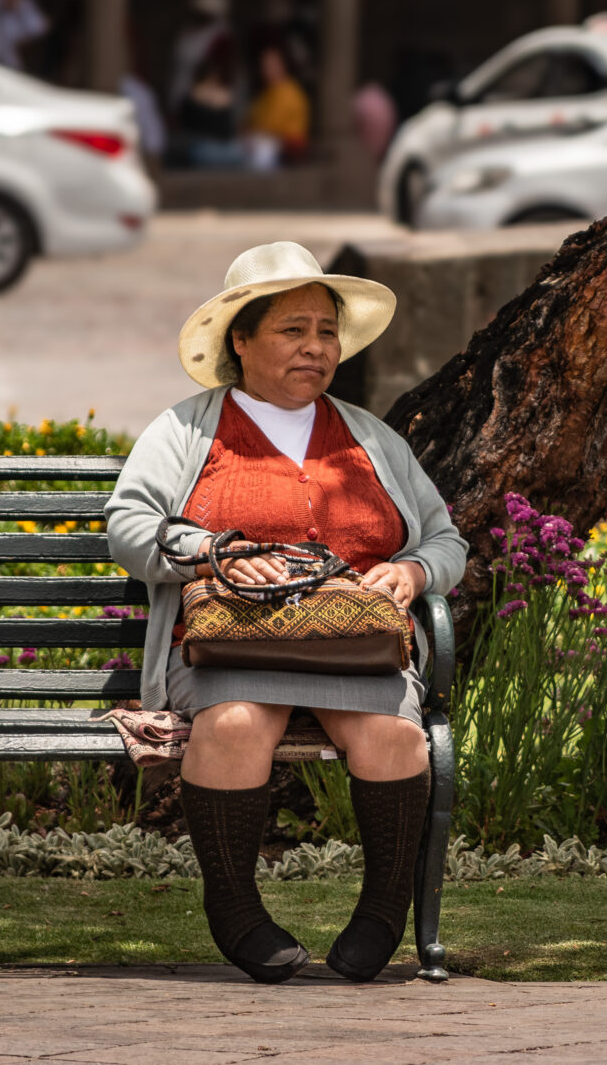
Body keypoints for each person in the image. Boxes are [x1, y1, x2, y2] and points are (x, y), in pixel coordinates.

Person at [105, 241, 467, 984]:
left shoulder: (371, 436)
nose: (316, 347)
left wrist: (412, 567)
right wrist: (212, 551)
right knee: (236, 724)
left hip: (352, 646)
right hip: (227, 648)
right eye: (292, 329)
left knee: (395, 738)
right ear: (241, 340)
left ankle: (381, 915)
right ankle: (234, 908)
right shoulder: (186, 431)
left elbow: (444, 536)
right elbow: (130, 525)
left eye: (326, 331)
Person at [243, 44, 310, 170]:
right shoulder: (265, 94)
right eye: (264, 66)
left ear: (282, 65)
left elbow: (273, 126)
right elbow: (249, 120)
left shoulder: (291, 92)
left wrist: (254, 134)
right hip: (261, 140)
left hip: (287, 145)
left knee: (260, 152)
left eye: (271, 65)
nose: (267, 70)